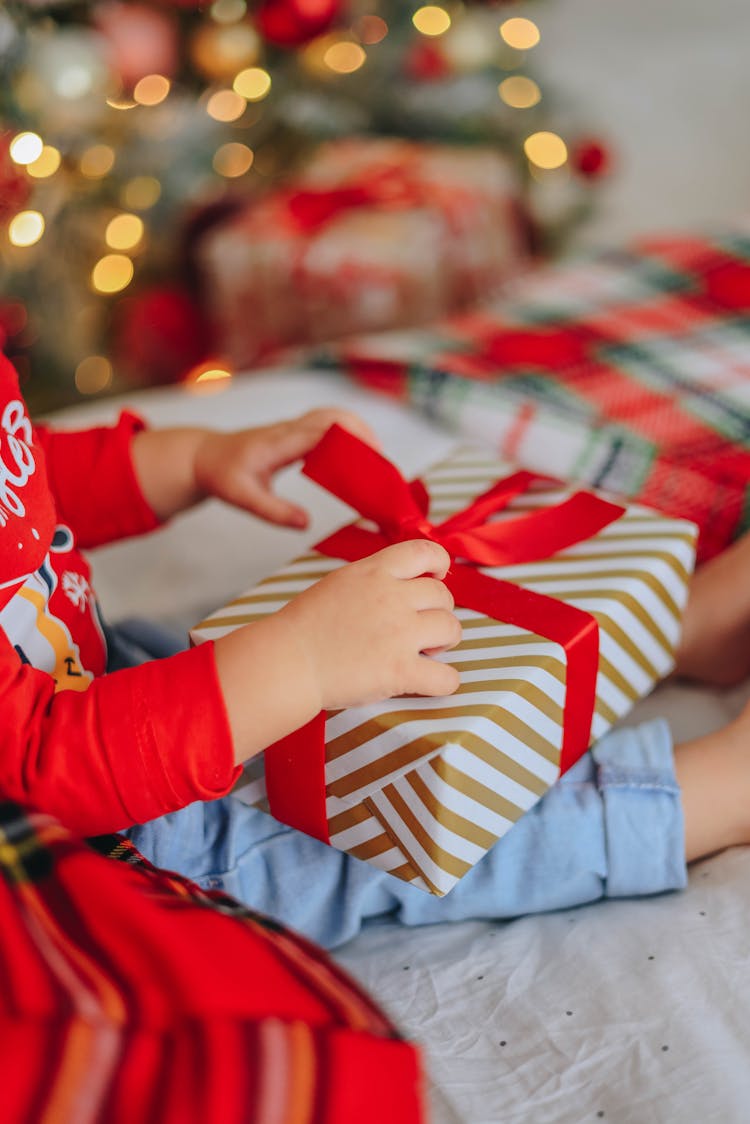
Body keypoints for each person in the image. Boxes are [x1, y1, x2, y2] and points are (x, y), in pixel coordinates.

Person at [1, 348, 748, 955]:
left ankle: (651, 634)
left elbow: (27, 472)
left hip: (97, 671)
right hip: (96, 858)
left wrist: (192, 458)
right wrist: (299, 661)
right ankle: (705, 796)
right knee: (396, 834)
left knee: (340, 648)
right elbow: (41, 769)